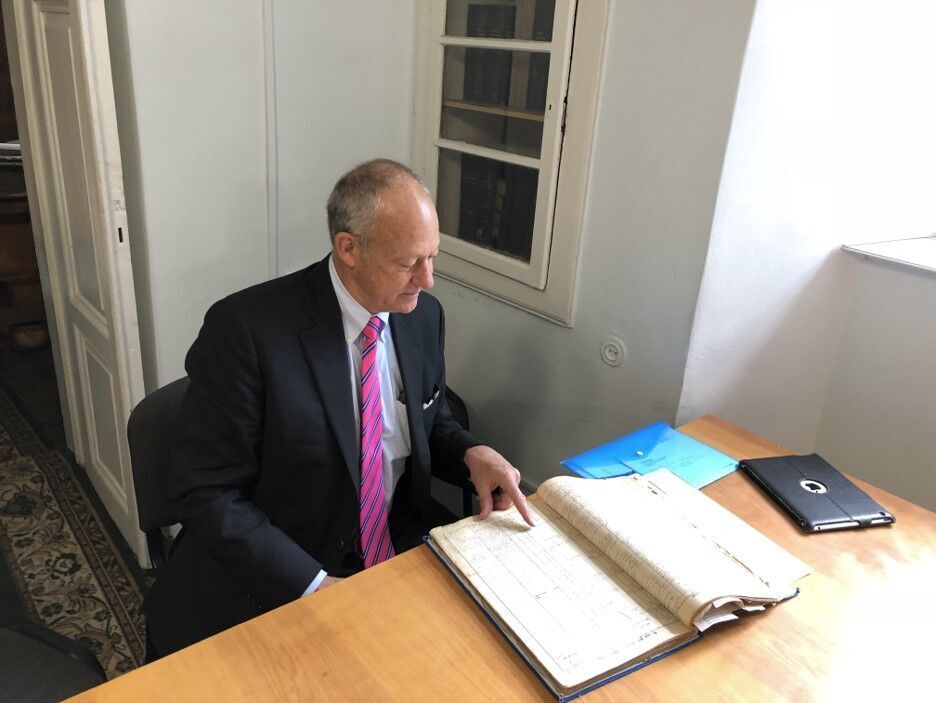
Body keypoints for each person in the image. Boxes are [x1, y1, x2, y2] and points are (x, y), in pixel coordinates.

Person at [143, 159, 533, 658]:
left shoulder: (421, 316)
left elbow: (425, 420)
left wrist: (472, 453)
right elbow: (206, 492)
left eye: (433, 257)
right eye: (407, 262)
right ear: (348, 248)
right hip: (281, 567)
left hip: (394, 548)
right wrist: (314, 586)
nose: (428, 279)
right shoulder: (244, 331)